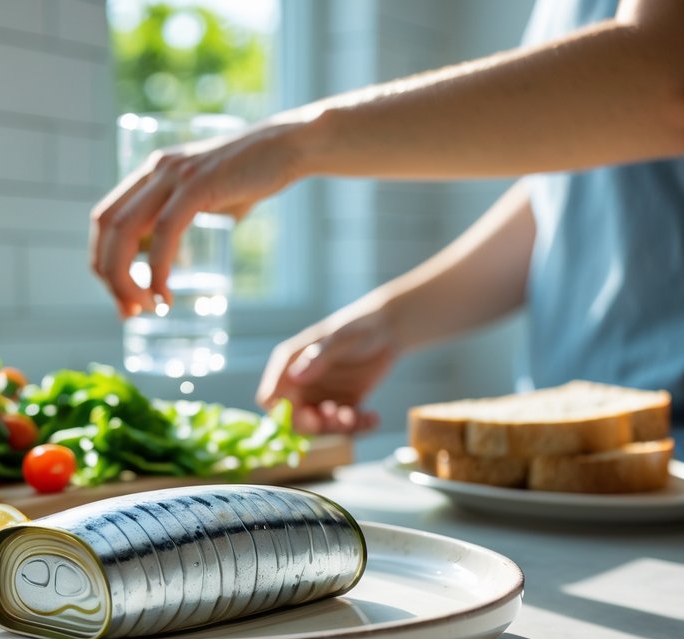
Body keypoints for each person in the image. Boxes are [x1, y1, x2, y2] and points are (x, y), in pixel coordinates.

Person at [88, 0, 684, 438]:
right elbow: (579, 199)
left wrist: (299, 141)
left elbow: (667, 84)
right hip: (577, 445)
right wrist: (390, 322)